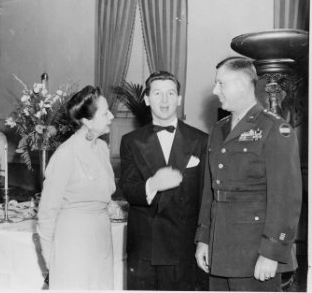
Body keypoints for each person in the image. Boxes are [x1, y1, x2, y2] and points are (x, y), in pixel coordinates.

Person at [195, 57, 302, 291]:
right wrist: (203, 239)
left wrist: (271, 253)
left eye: (220, 83)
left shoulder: (274, 128)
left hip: (254, 254)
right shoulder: (218, 129)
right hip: (219, 249)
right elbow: (209, 192)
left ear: (242, 85)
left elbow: (285, 197)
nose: (215, 90)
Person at [119, 71, 208, 290]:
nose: (165, 100)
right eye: (157, 93)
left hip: (184, 247)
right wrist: (153, 185)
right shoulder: (131, 141)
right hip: (145, 249)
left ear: (179, 98)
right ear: (147, 99)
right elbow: (129, 189)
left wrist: (204, 241)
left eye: (171, 93)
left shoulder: (200, 140)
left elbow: (206, 197)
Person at [37, 85, 115, 290]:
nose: (112, 116)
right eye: (106, 113)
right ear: (87, 121)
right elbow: (46, 215)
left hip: (101, 241)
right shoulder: (65, 155)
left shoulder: (102, 149)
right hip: (73, 246)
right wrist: (52, 264)